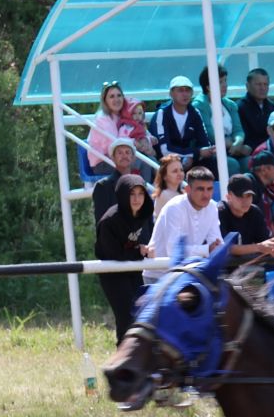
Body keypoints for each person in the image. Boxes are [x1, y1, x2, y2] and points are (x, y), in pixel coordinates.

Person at [95, 173, 153, 340]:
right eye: (131, 194)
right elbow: (112, 253)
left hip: (133, 269)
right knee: (126, 318)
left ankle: (138, 359)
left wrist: (148, 249)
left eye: (140, 194)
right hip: (112, 272)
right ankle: (123, 359)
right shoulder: (110, 220)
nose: (137, 199)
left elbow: (147, 238)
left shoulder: (145, 213)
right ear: (122, 195)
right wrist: (138, 251)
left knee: (141, 314)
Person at [146, 166, 222, 281]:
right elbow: (173, 250)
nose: (206, 194)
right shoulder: (174, 207)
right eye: (200, 189)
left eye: (210, 189)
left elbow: (216, 243)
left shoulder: (212, 207)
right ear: (187, 189)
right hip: (158, 275)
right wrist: (207, 249)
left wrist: (216, 247)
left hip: (186, 274)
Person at [84, 82, 154, 176]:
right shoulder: (102, 118)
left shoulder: (124, 114)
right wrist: (137, 144)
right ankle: (142, 190)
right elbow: (117, 145)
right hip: (103, 162)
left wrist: (146, 140)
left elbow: (141, 128)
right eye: (112, 96)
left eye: (119, 95)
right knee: (144, 163)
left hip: (120, 157)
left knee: (152, 159)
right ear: (105, 100)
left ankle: (154, 188)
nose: (116, 99)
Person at [152, 76, 217, 167]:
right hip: (165, 162)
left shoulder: (194, 113)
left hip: (189, 158)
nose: (185, 94)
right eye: (180, 90)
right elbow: (164, 150)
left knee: (215, 161)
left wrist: (209, 150)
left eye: (188, 90)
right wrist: (195, 153)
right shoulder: (162, 113)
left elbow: (204, 143)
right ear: (171, 93)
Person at [218, 175, 274, 264]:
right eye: (240, 196)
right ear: (228, 196)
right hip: (222, 271)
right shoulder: (220, 211)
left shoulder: (255, 212)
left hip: (248, 269)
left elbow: (265, 242)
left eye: (248, 196)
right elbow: (224, 248)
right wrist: (259, 247)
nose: (245, 201)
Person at [192, 64, 246, 163]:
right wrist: (231, 144)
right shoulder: (200, 105)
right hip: (211, 153)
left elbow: (238, 130)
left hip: (232, 149)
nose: (225, 85)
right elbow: (210, 135)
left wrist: (238, 142)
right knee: (231, 164)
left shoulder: (230, 105)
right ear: (208, 86)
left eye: (225, 80)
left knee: (250, 162)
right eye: (220, 82)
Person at [90, 140, 143, 223]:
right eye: (120, 153)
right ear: (113, 158)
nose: (124, 156)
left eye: (127, 152)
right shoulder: (103, 186)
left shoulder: (140, 184)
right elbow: (102, 223)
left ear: (133, 158)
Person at [231, 67, 274, 154]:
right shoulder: (239, 107)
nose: (263, 88)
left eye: (265, 84)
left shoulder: (272, 107)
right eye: (258, 84)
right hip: (253, 153)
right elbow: (245, 138)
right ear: (247, 86)